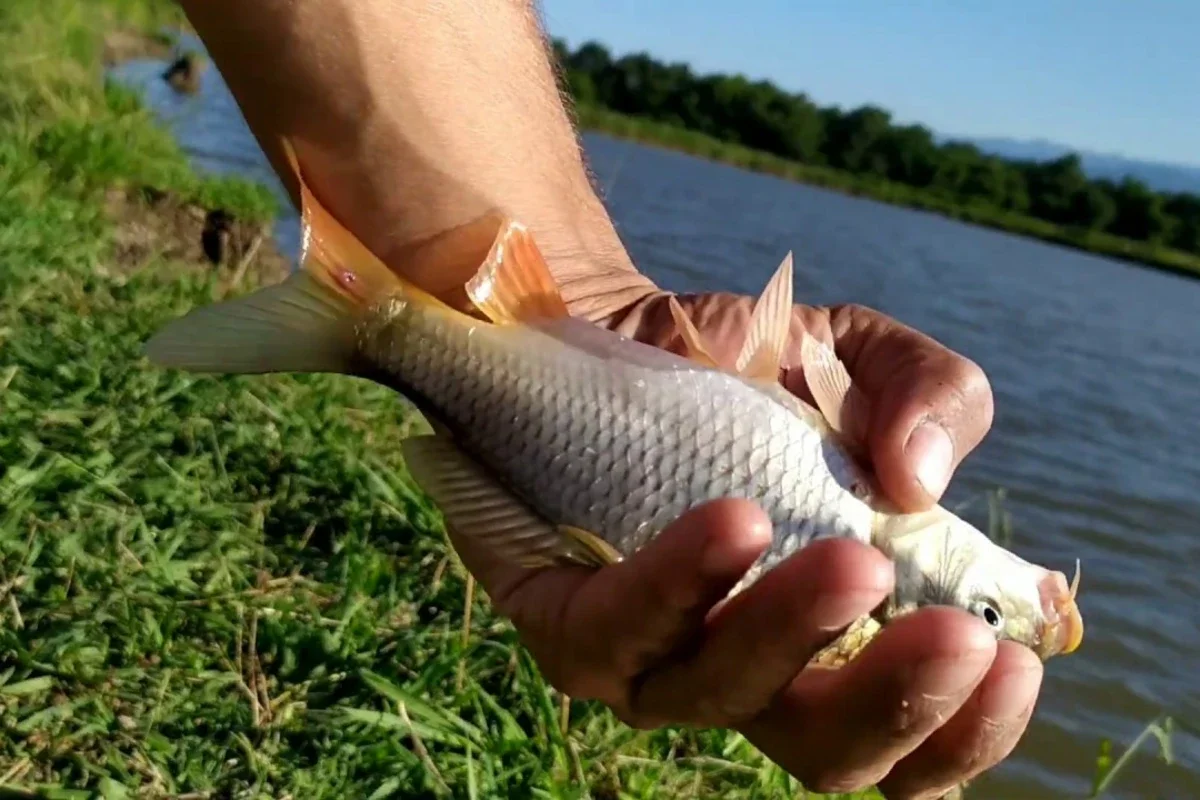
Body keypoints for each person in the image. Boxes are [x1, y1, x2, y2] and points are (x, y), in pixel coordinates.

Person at [179, 1, 1043, 796]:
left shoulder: (858, 536)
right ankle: (369, 317)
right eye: (989, 613)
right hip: (575, 387)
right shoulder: (870, 489)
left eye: (989, 608)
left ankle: (360, 320)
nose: (1009, 601)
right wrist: (589, 300)